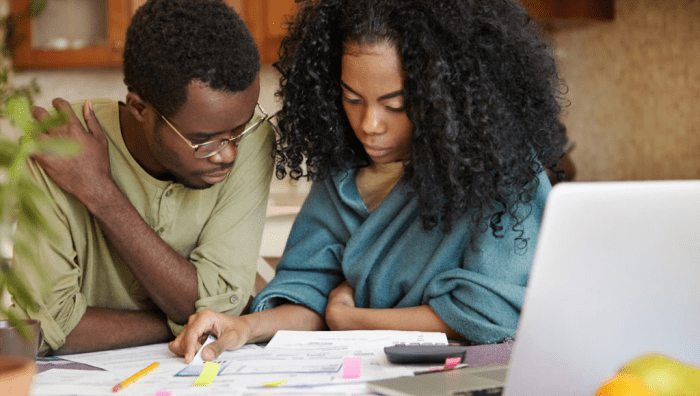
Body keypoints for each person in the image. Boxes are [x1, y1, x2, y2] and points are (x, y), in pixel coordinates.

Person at [170, 0, 567, 362]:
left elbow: (497, 313)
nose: (369, 125)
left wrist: (353, 318)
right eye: (352, 99)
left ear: (443, 97)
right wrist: (243, 327)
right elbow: (309, 295)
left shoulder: (500, 172)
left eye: (395, 104)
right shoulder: (341, 178)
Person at [9, 0, 274, 354]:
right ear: (139, 108)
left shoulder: (253, 142)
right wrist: (189, 318)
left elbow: (221, 310)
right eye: (202, 140)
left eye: (239, 130)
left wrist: (101, 193)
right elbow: (45, 327)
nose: (229, 153)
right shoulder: (64, 145)